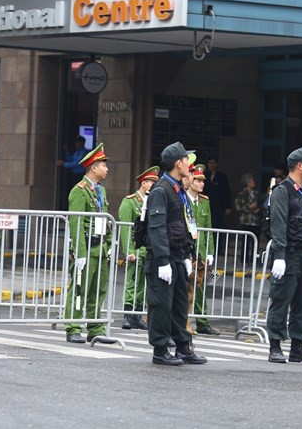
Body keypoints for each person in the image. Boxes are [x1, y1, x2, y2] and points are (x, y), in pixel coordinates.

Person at [144, 142, 207, 366]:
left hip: (178, 255)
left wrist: (188, 254)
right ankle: (160, 350)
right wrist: (162, 260)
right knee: (161, 304)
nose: (190, 165)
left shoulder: (177, 189)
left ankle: (183, 347)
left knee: (180, 303)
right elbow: (157, 227)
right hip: (164, 257)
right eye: (187, 160)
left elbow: (184, 224)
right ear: (178, 163)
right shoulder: (162, 189)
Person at [267, 146, 302, 365]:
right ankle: (275, 346)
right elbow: (278, 224)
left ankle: (298, 347)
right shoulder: (282, 191)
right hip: (290, 255)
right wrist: (279, 255)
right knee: (281, 300)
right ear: (299, 166)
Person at [64, 143, 111, 344]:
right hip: (87, 247)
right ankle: (73, 326)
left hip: (100, 248)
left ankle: (95, 328)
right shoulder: (79, 191)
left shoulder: (101, 191)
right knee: (79, 289)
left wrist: (108, 246)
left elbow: (106, 220)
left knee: (98, 290)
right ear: (93, 167)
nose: (107, 169)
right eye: (104, 165)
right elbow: (76, 223)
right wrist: (80, 252)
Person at [118, 165, 158, 330]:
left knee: (143, 284)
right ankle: (128, 315)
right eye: (151, 182)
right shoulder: (130, 202)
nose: (153, 186)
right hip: (135, 249)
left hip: (147, 249)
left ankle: (137, 315)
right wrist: (129, 251)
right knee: (132, 281)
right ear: (143, 182)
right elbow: (127, 229)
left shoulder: (151, 202)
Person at [185, 164, 219, 335]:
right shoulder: (183, 199)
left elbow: (208, 228)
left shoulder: (204, 202)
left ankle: (203, 322)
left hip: (202, 251)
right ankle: (185, 321)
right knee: (186, 288)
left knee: (201, 288)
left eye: (203, 180)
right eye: (198, 180)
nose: (201, 183)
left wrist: (210, 252)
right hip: (188, 250)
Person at [235, 173, 262, 266]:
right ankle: (244, 259)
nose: (254, 182)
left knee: (256, 242)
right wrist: (249, 207)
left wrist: (258, 209)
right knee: (245, 242)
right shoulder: (242, 194)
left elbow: (260, 205)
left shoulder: (256, 193)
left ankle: (254, 259)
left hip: (255, 221)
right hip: (246, 221)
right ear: (248, 182)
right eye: (252, 181)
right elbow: (239, 207)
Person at [205, 158, 232, 229]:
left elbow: (226, 192)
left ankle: (218, 240)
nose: (211, 165)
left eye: (213, 163)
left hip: (218, 206)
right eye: (210, 163)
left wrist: (228, 206)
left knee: (217, 224)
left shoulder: (222, 176)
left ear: (217, 164)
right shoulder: (205, 175)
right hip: (206, 204)